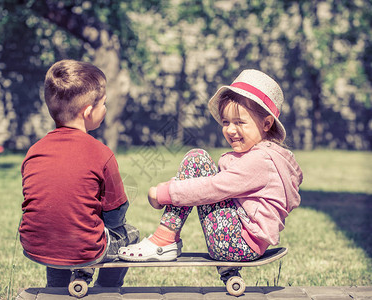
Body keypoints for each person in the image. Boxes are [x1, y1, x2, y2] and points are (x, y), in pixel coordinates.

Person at [118, 69, 303, 263]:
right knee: (198, 169)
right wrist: (176, 186)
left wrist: (165, 193)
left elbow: (213, 187)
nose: (230, 130)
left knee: (197, 159)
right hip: (239, 240)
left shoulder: (260, 161)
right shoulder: (264, 156)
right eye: (226, 122)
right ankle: (164, 239)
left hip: (237, 243)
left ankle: (163, 239)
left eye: (239, 122)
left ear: (266, 124)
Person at [19, 59, 139, 288]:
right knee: (129, 234)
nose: (106, 108)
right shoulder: (101, 153)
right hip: (86, 249)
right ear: (88, 112)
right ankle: (107, 290)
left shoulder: (34, 151)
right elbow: (114, 217)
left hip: (36, 245)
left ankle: (56, 288)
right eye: (104, 103)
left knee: (59, 227)